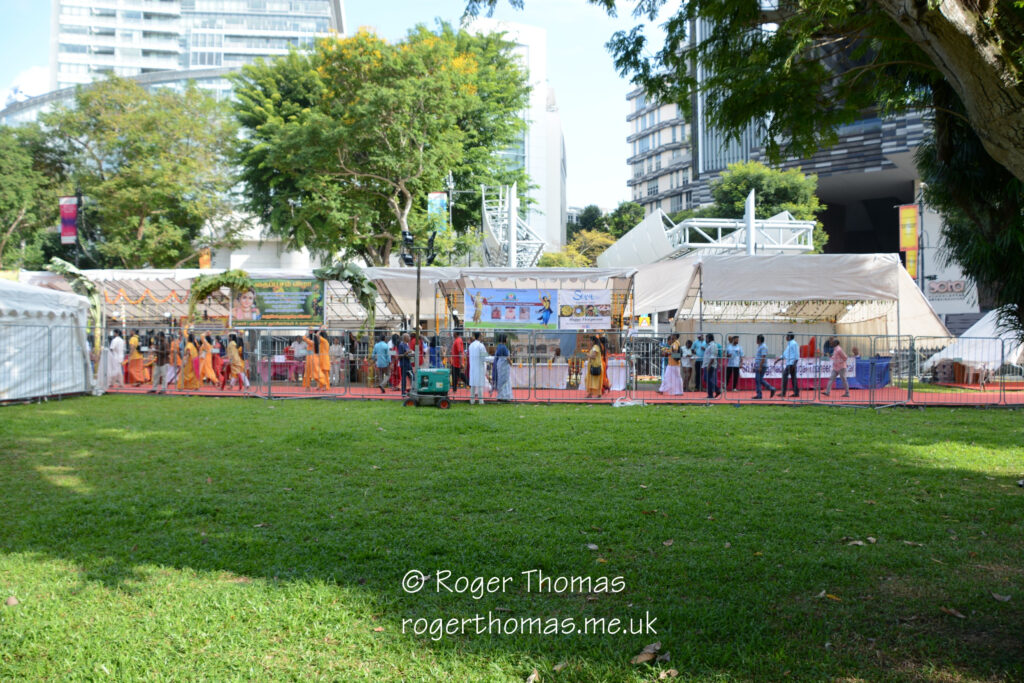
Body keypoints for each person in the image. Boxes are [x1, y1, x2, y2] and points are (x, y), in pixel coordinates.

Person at [468, 331, 488, 404]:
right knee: (480, 385)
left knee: (473, 384)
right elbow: (484, 357)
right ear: (479, 336)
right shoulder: (481, 345)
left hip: (473, 367)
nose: (482, 337)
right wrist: (492, 358)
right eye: (481, 336)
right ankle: (481, 401)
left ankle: (472, 400)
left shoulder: (471, 345)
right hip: (479, 367)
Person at [753, 334, 775, 399]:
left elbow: (763, 357)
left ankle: (760, 394)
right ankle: (770, 389)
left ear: (759, 340)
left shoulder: (763, 347)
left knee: (758, 380)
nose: (756, 340)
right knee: (759, 380)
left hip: (762, 365)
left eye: (757, 339)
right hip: (759, 365)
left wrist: (760, 366)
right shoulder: (760, 346)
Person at [492, 333, 513, 401]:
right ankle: (506, 396)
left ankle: (500, 396)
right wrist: (511, 363)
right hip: (504, 365)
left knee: (501, 380)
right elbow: (507, 357)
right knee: (506, 381)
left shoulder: (498, 346)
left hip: (500, 365)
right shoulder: (504, 347)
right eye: (506, 338)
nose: (507, 339)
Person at [780, 332, 800, 397]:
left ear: (789, 337)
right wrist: (779, 359)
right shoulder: (789, 344)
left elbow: (797, 354)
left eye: (787, 336)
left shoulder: (793, 344)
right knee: (793, 378)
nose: (786, 337)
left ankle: (783, 393)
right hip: (790, 363)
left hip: (791, 363)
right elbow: (785, 354)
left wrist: (794, 364)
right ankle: (796, 392)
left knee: (785, 377)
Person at [585, 334, 604, 399]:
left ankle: (593, 394)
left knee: (592, 381)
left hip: (595, 366)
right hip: (594, 366)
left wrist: (588, 355)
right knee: (593, 381)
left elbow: (594, 356)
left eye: (590, 341)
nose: (589, 342)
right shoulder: (595, 347)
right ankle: (595, 394)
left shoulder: (595, 347)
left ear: (593, 341)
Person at [703, 333, 721, 398]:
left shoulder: (713, 345)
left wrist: (709, 365)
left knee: (707, 379)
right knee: (707, 379)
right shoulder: (709, 345)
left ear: (709, 338)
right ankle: (715, 391)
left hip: (710, 365)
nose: (706, 340)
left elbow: (713, 356)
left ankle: (713, 392)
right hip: (707, 364)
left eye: (706, 338)